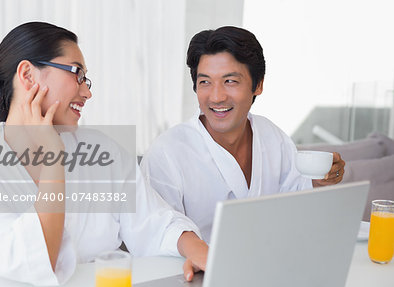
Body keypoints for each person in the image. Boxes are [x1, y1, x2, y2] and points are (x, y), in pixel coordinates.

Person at [0, 22, 207, 286]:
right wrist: (52, 158)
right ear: (28, 75)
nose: (87, 92)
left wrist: (201, 252)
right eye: (76, 73)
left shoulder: (102, 151)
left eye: (85, 79)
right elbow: (38, 261)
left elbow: (154, 222)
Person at [140, 26, 345, 243]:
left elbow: (296, 200)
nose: (217, 97)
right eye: (205, 82)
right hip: (194, 274)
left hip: (268, 267)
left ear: (258, 85)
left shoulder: (273, 138)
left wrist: (320, 182)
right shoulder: (167, 153)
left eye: (230, 81)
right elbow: (153, 235)